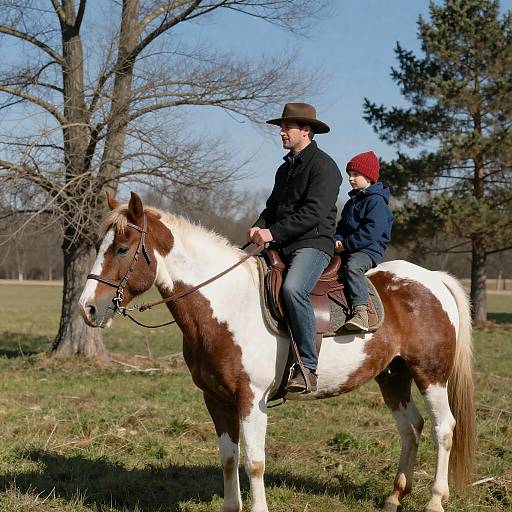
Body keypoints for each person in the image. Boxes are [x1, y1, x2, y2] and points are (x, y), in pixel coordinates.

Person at [248, 102, 342, 394]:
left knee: (293, 289)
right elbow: (273, 208)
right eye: (281, 127)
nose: (281, 132)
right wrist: (258, 225)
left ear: (306, 130)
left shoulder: (325, 167)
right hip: (282, 243)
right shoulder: (284, 169)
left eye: (286, 127)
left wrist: (272, 232)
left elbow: (314, 213)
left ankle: (306, 367)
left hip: (313, 244)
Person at [335, 150, 394, 331]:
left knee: (353, 266)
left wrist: (346, 244)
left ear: (369, 177)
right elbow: (341, 227)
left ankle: (361, 313)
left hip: (368, 249)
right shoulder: (352, 202)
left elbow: (371, 232)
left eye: (355, 174)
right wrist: (337, 239)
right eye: (350, 175)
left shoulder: (376, 201)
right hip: (349, 246)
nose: (351, 179)